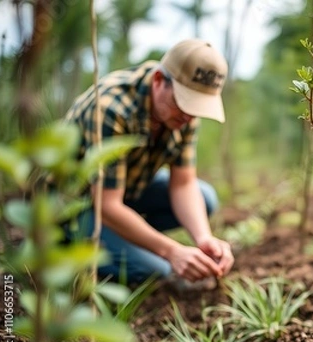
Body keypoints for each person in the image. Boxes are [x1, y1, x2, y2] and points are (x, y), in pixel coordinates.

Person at [65, 39, 234, 285]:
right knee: (157, 270)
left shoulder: (184, 115)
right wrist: (171, 251)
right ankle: (67, 248)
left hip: (124, 193)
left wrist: (204, 238)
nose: (189, 116)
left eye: (197, 107)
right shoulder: (111, 108)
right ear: (158, 81)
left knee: (204, 196)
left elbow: (184, 184)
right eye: (184, 103)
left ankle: (123, 239)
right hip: (77, 205)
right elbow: (107, 204)